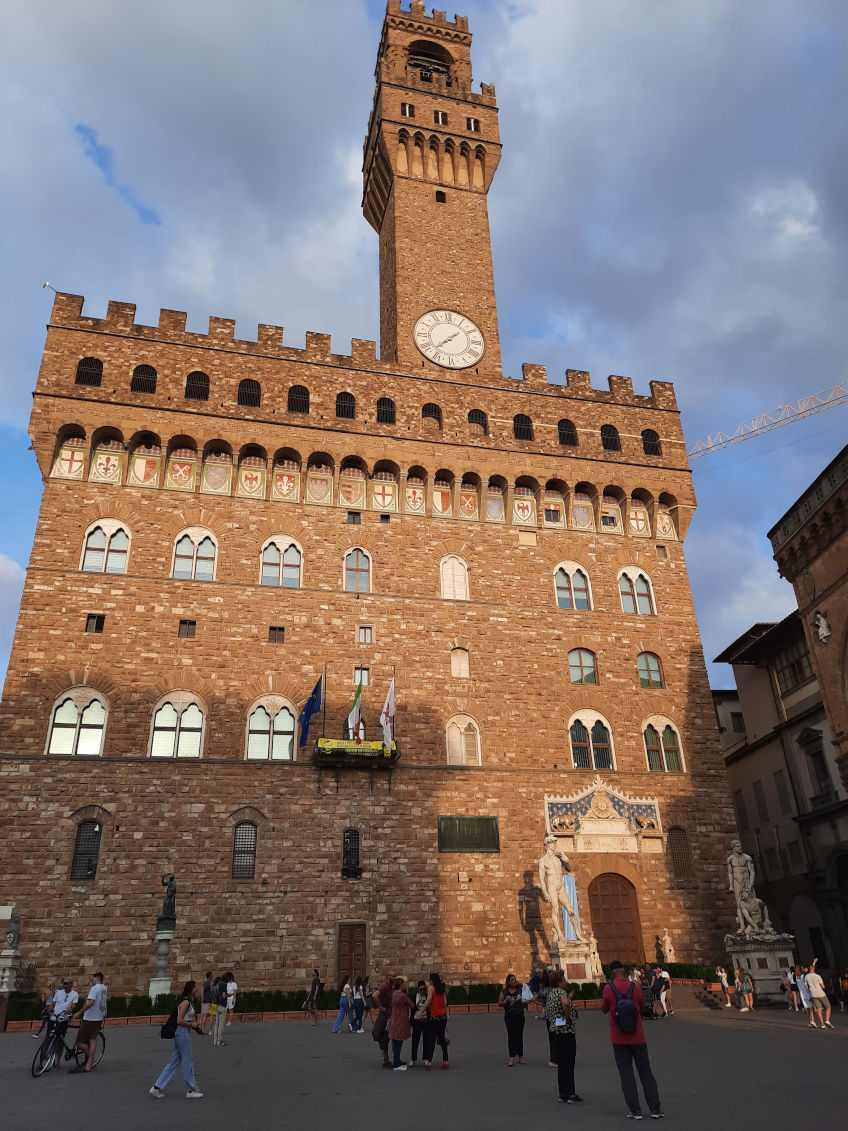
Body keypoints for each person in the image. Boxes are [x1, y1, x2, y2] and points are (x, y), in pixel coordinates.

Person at [602, 960, 663, 1120]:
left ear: (612, 973)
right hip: (637, 1036)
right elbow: (642, 1008)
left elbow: (604, 1009)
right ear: (624, 971)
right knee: (645, 1071)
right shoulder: (634, 987)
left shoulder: (609, 989)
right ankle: (655, 1109)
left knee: (626, 1073)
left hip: (618, 1038)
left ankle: (635, 1110)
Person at [149, 979, 203, 1099]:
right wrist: (191, 1025)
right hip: (183, 1033)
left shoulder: (188, 1001)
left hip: (182, 1033)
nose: (196, 990)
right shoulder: (186, 1003)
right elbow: (179, 1020)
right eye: (195, 988)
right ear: (190, 989)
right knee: (188, 1061)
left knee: (174, 1061)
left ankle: (157, 1087)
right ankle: (190, 1089)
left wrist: (196, 1027)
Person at [545, 967, 581, 1103]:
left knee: (561, 1063)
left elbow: (549, 1011)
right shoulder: (561, 992)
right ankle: (571, 1094)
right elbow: (565, 1003)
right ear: (560, 981)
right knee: (569, 1063)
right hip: (566, 1033)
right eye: (564, 979)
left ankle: (562, 1093)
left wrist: (559, 1019)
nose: (566, 981)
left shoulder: (551, 994)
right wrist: (568, 1016)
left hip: (555, 1031)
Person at [71, 971, 107, 1073]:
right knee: (92, 1039)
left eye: (92, 978)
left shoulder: (95, 988)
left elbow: (91, 1002)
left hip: (90, 1019)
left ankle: (91, 1059)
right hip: (99, 1018)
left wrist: (79, 1012)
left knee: (79, 1042)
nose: (91, 980)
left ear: (97, 978)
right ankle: (89, 1064)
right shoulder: (104, 988)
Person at [498, 973, 528, 1066]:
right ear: (508, 982)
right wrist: (505, 1001)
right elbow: (499, 1003)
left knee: (519, 1036)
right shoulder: (504, 991)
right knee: (511, 1036)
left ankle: (520, 1057)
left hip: (519, 1016)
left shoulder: (520, 990)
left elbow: (528, 989)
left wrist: (520, 984)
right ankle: (511, 1058)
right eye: (512, 980)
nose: (514, 981)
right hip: (509, 1017)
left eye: (515, 979)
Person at [422, 971, 449, 1070]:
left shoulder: (431, 988)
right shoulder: (441, 988)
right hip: (443, 1016)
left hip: (435, 1016)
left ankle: (429, 1061)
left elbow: (428, 1000)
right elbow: (445, 1002)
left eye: (429, 979)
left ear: (432, 980)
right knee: (441, 1038)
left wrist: (421, 1011)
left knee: (432, 1039)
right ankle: (445, 1060)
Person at [50, 977, 79, 1068]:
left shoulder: (74, 994)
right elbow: (53, 1003)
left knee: (60, 1041)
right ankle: (44, 1059)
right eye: (64, 984)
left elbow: (73, 1005)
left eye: (67, 984)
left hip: (63, 1019)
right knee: (49, 1038)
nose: (65, 985)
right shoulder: (58, 992)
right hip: (54, 1018)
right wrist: (48, 1009)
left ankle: (58, 1060)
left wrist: (70, 1009)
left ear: (71, 984)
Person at [388, 976, 413, 1070]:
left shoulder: (394, 993)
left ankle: (396, 1060)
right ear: (401, 985)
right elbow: (411, 1004)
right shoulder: (403, 995)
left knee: (395, 1040)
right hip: (401, 1020)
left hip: (394, 1019)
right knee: (399, 1041)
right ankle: (396, 1064)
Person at [372, 971, 394, 1068]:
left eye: (394, 976)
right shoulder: (384, 986)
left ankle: (386, 1060)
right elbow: (374, 995)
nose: (393, 977)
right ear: (387, 977)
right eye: (391, 976)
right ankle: (384, 1042)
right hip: (383, 1014)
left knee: (385, 1035)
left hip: (390, 1015)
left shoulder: (391, 987)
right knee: (376, 1033)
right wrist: (380, 1007)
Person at [804, 959, 834, 1029]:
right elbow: (823, 987)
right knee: (828, 1006)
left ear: (809, 969)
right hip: (821, 994)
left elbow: (806, 987)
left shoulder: (806, 977)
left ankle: (822, 1025)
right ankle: (827, 1020)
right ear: (814, 969)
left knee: (819, 1010)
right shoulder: (818, 976)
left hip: (813, 994)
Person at [411, 980, 428, 1065]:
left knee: (426, 1040)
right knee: (415, 1040)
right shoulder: (415, 997)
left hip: (425, 1020)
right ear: (418, 989)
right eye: (420, 989)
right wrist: (418, 1002)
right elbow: (412, 1008)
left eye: (423, 989)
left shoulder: (428, 996)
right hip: (416, 1021)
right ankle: (413, 1058)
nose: (422, 991)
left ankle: (426, 1058)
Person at [212, 975, 229, 1045]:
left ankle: (215, 1041)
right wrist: (229, 995)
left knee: (216, 1023)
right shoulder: (224, 985)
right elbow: (224, 996)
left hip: (217, 1005)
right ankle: (220, 1040)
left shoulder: (215, 986)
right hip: (222, 1005)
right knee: (221, 1023)